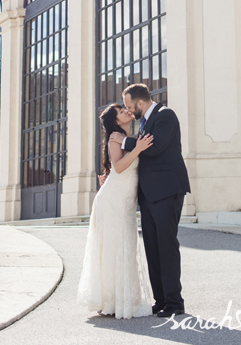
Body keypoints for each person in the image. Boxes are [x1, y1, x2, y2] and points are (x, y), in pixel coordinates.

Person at [110, 84, 190, 318]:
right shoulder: (144, 122)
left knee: (166, 246)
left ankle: (175, 302)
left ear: (140, 103)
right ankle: (162, 300)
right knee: (153, 249)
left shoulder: (166, 115)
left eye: (128, 105)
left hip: (167, 191)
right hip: (148, 195)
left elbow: (153, 148)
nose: (128, 110)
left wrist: (124, 142)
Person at [77, 103, 154, 319]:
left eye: (125, 108)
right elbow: (119, 166)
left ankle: (122, 298)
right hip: (113, 202)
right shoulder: (115, 137)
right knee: (114, 248)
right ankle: (111, 300)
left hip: (124, 200)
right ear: (116, 120)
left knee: (125, 246)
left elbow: (116, 169)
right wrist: (138, 149)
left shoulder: (127, 136)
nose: (127, 111)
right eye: (121, 111)